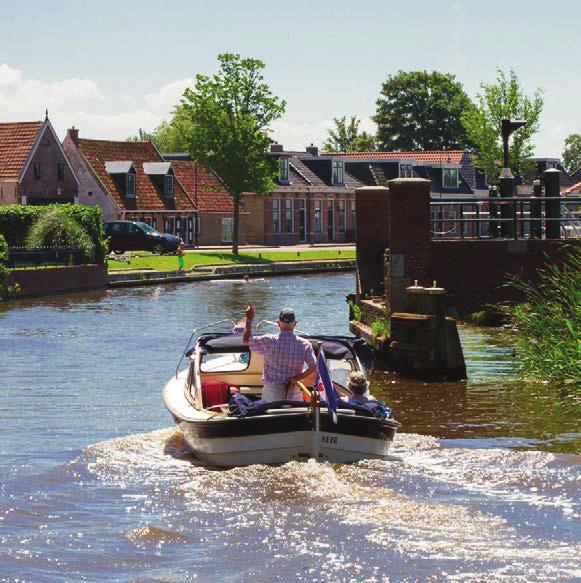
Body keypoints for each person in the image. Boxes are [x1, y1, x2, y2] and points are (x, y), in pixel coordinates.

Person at [242, 302, 316, 401]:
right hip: (293, 389)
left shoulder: (269, 340)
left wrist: (249, 318)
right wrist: (297, 378)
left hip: (272, 392)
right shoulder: (305, 344)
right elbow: (314, 367)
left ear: (278, 323)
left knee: (270, 414)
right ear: (295, 324)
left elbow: (246, 340)